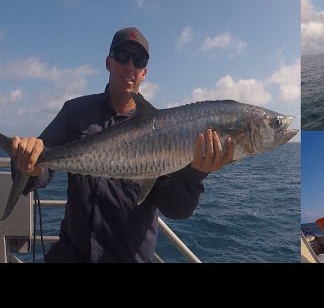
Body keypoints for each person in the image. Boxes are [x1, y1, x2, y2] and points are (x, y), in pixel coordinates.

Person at [9, 27, 235, 263]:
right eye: (122, 56)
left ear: (144, 72)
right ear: (109, 62)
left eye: (138, 61)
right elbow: (42, 164)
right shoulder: (75, 111)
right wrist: (30, 165)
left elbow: (176, 209)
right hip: (71, 254)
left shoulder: (165, 131)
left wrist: (196, 174)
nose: (130, 67)